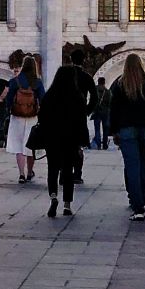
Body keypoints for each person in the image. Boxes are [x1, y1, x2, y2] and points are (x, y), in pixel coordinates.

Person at [108, 54, 145, 221]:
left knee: (132, 166)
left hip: (126, 129)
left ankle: (137, 204)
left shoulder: (120, 84)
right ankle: (141, 199)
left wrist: (114, 130)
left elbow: (115, 109)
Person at [37, 65, 90, 218]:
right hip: (70, 139)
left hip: (52, 138)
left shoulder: (50, 96)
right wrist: (81, 141)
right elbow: (81, 121)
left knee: (52, 169)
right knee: (68, 171)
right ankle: (67, 205)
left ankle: (53, 197)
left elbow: (42, 117)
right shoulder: (77, 97)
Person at [3, 55, 44, 183]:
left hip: (17, 116)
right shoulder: (37, 82)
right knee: (30, 145)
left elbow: (9, 99)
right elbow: (43, 99)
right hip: (32, 117)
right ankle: (29, 172)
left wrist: (9, 110)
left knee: (18, 146)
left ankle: (21, 174)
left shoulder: (15, 81)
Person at [68, 49, 98, 184]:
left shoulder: (64, 75)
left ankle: (64, 174)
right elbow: (95, 97)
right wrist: (87, 110)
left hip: (65, 114)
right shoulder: (86, 77)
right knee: (78, 146)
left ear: (71, 59)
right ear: (84, 60)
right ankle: (77, 174)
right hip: (79, 114)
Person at [91, 76, 110, 150]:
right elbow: (109, 103)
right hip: (105, 113)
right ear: (104, 82)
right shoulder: (107, 91)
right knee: (105, 129)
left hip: (96, 112)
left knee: (97, 129)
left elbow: (92, 100)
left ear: (98, 82)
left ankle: (98, 145)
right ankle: (105, 145)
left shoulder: (94, 90)